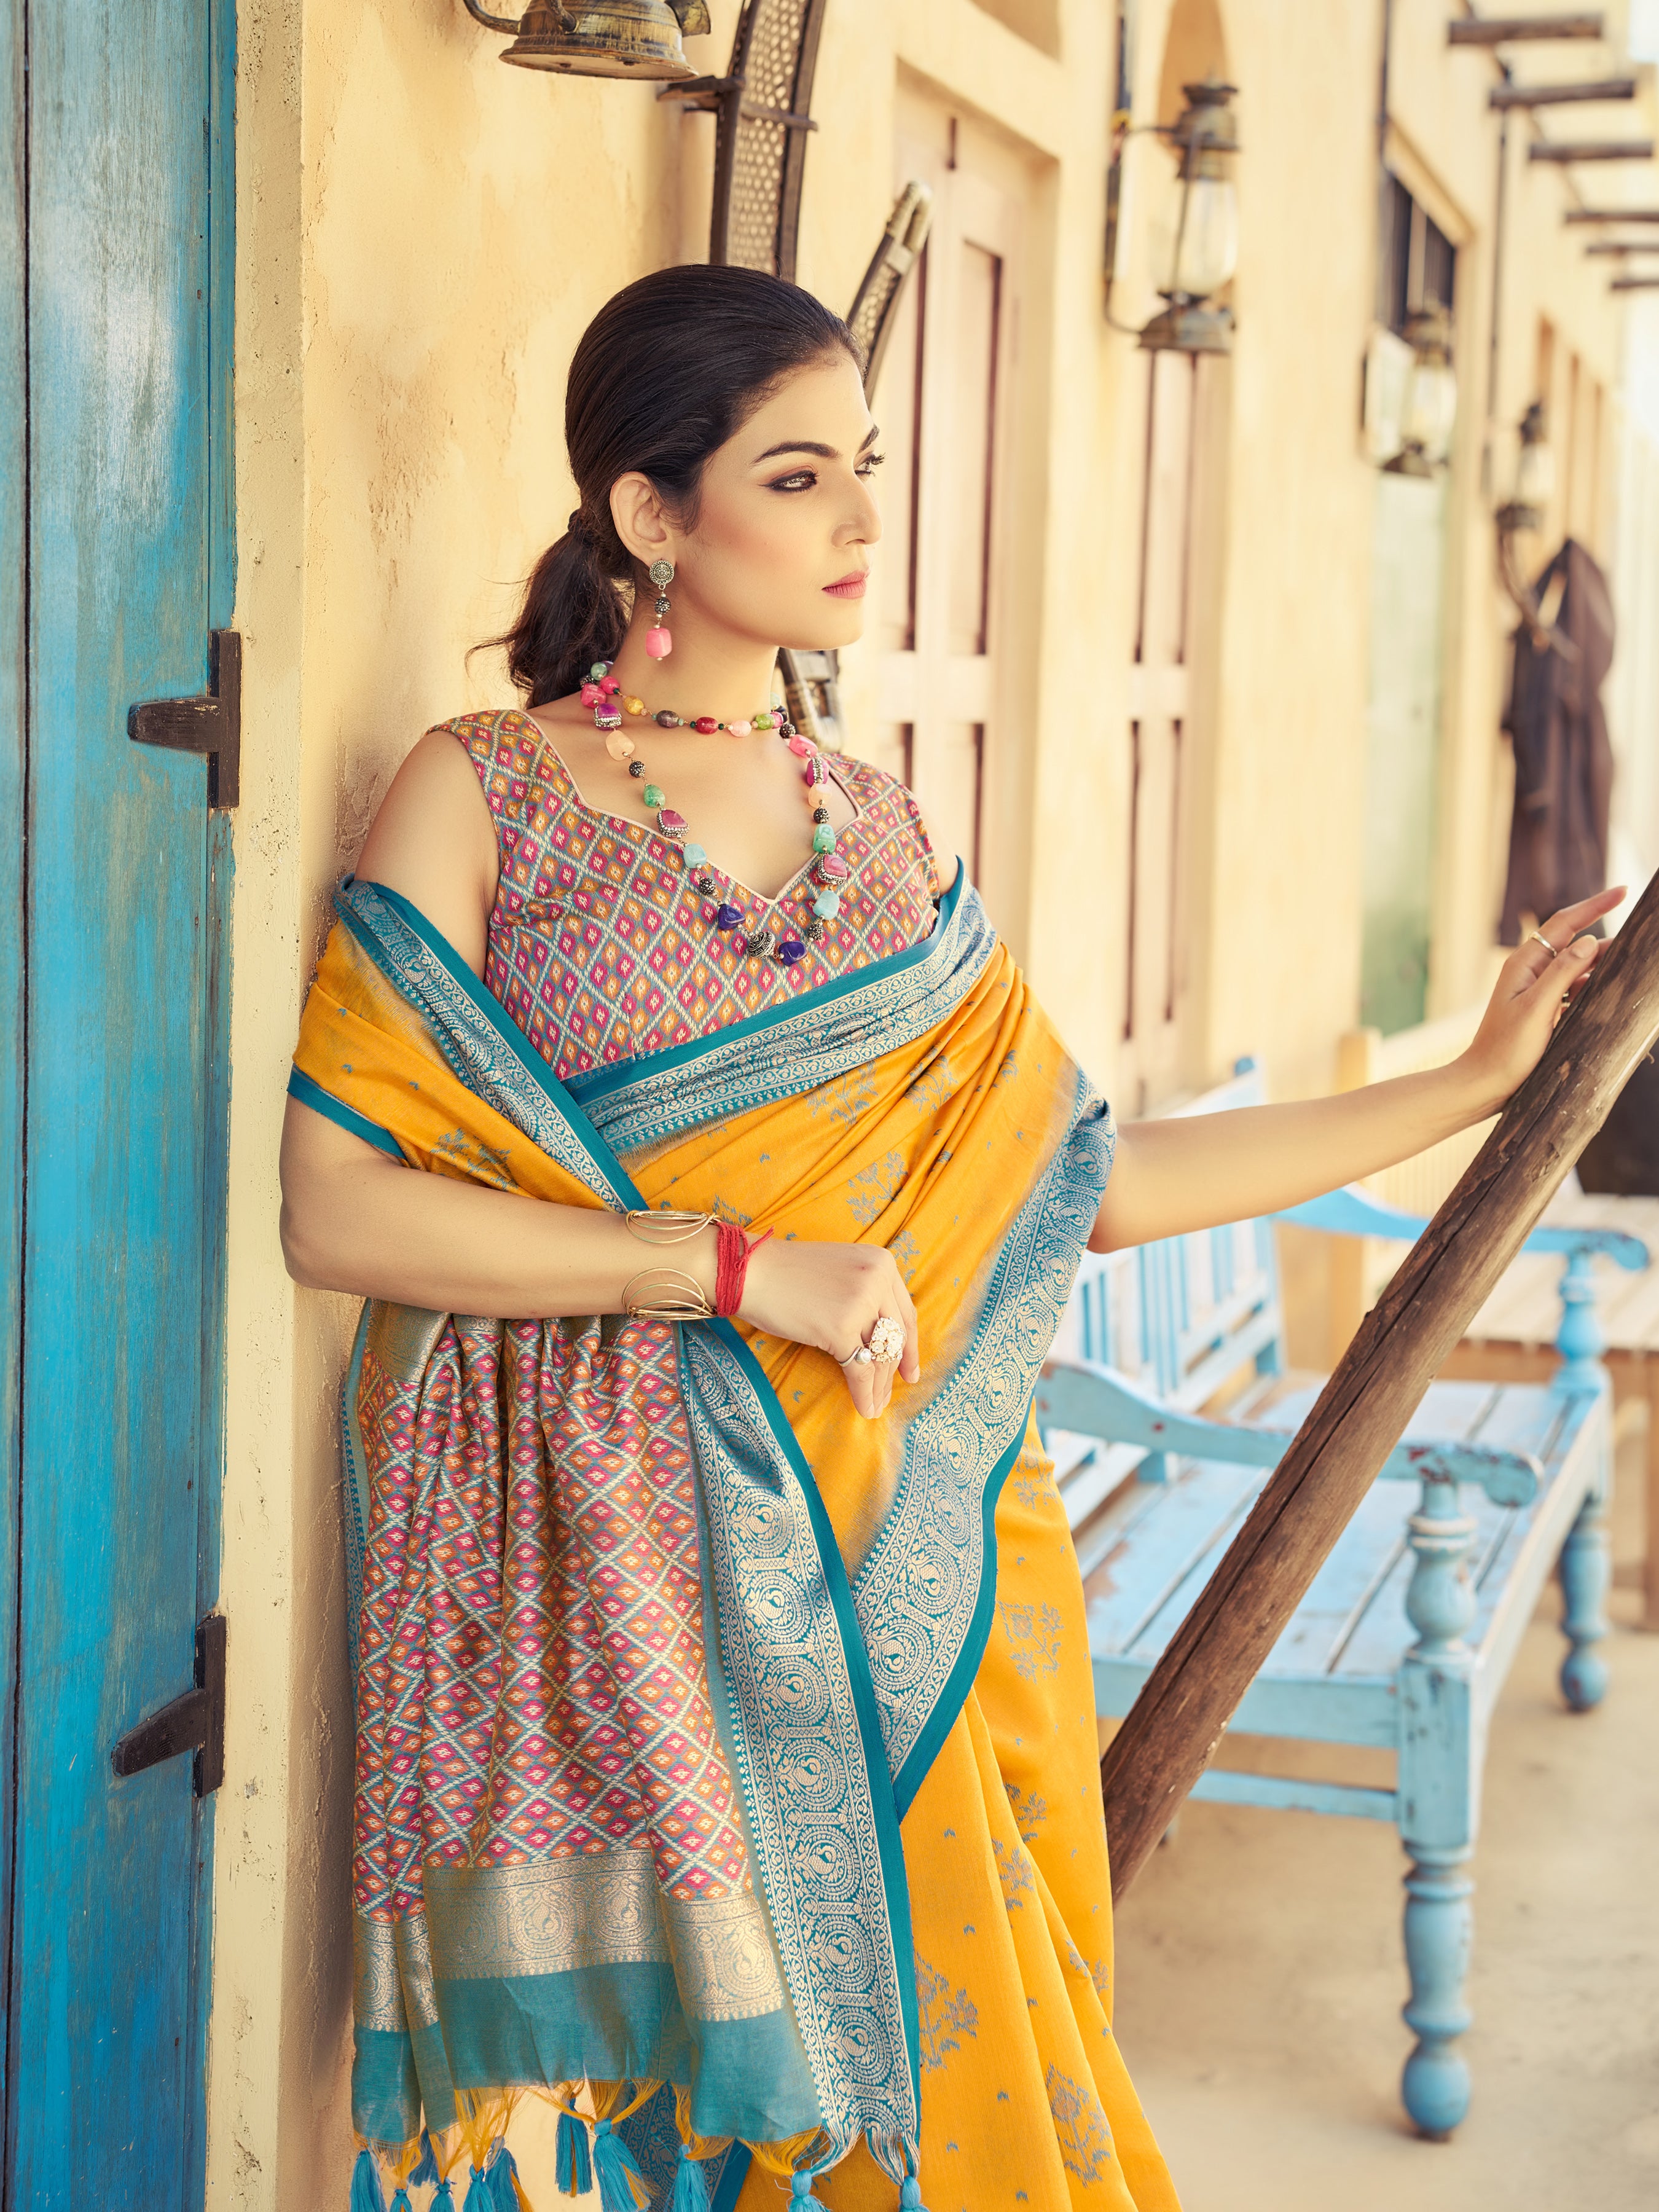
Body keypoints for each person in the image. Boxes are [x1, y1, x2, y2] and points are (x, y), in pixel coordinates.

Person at [280, 265, 1617, 2212]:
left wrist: (1464, 1086)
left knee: (959, 2113)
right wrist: (732, 1272)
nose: (864, 527)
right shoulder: (486, 797)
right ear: (654, 517)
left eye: (864, 472)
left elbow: (1099, 1184)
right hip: (633, 1615)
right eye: (801, 476)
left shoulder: (888, 840)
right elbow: (341, 1209)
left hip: (922, 1574)